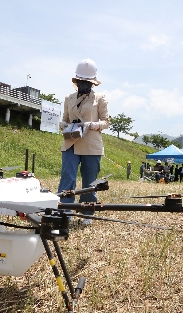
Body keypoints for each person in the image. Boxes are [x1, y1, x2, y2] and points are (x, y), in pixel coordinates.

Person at [57, 58, 110, 225]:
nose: (84, 85)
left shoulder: (100, 98)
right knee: (67, 177)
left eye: (87, 82)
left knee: (89, 180)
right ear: (76, 81)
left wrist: (91, 125)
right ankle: (64, 211)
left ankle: (87, 212)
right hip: (71, 141)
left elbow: (106, 122)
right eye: (81, 82)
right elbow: (64, 119)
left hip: (91, 144)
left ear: (93, 83)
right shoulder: (69, 98)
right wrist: (64, 125)